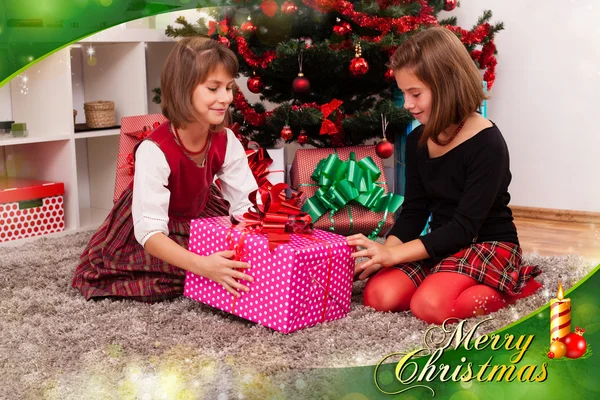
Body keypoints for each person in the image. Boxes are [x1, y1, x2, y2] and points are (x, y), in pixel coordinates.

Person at [347, 27, 542, 325]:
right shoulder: (417, 141)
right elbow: (414, 211)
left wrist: (395, 257)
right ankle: (445, 277)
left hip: (486, 242)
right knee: (379, 296)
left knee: (430, 306)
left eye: (415, 94)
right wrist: (385, 252)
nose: (408, 104)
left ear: (448, 85)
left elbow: (464, 227)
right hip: (441, 241)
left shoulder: (487, 142)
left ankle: (511, 287)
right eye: (403, 93)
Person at [72, 38, 258, 302]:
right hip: (155, 225)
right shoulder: (154, 149)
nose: (225, 98)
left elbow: (246, 202)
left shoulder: (226, 140)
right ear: (183, 89)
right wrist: (203, 266)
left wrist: (261, 239)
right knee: (177, 278)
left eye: (228, 88)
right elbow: (150, 233)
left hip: (198, 211)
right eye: (213, 88)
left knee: (236, 262)